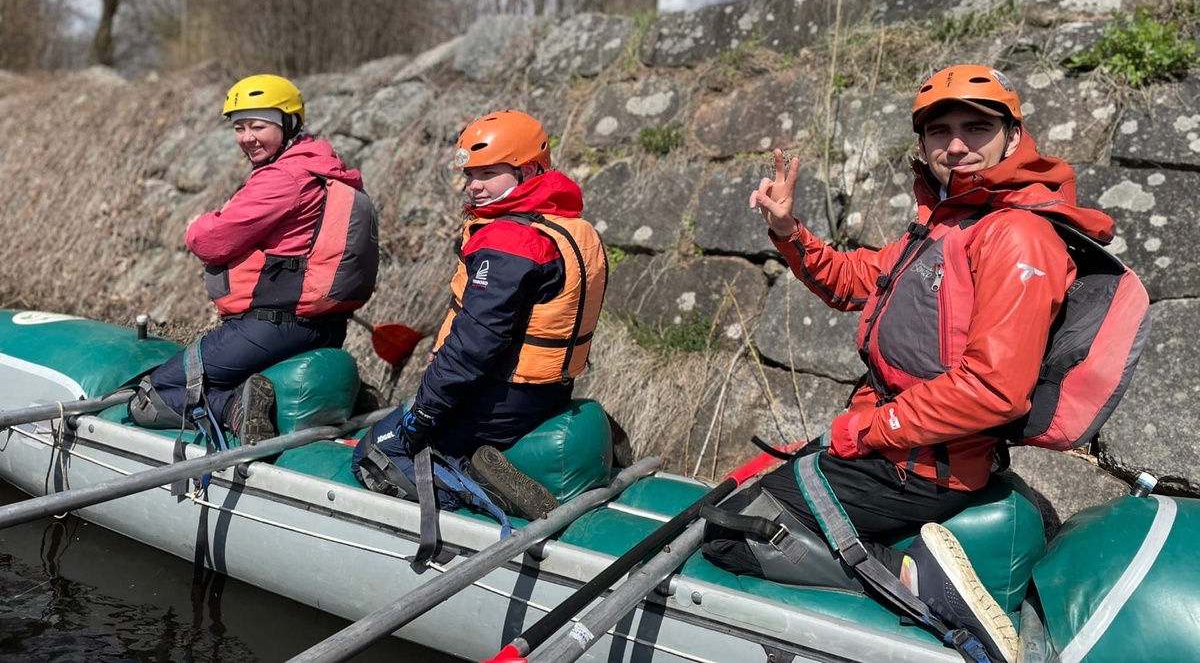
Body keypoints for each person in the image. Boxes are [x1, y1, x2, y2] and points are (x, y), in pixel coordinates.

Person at [702, 65, 1115, 663]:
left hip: (921, 466)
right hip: (903, 449)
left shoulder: (1016, 237)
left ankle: (917, 581)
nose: (956, 145)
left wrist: (863, 430)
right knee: (746, 496)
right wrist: (789, 231)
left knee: (727, 532)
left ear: (1013, 137)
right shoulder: (949, 226)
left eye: (976, 128)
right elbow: (853, 279)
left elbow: (993, 391)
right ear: (923, 144)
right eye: (939, 131)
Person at [353, 109, 607, 520]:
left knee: (375, 454)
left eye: (488, 173)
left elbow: (475, 343)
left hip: (501, 399)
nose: (474, 186)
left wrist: (424, 411)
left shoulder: (509, 239)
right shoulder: (568, 227)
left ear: (528, 170)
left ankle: (474, 483)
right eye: (470, 175)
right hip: (547, 392)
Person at [130, 74, 378, 446]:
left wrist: (195, 225)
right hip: (324, 328)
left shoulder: (284, 178)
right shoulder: (322, 167)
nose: (247, 137)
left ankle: (233, 408)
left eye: (259, 126)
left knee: (151, 397)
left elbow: (211, 241)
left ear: (289, 124)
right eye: (239, 127)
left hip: (272, 328)